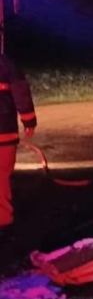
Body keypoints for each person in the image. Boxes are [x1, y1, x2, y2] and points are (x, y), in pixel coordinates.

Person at [0, 54, 36, 228]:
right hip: (4, 133)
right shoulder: (6, 65)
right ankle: (3, 220)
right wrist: (29, 120)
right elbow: (21, 92)